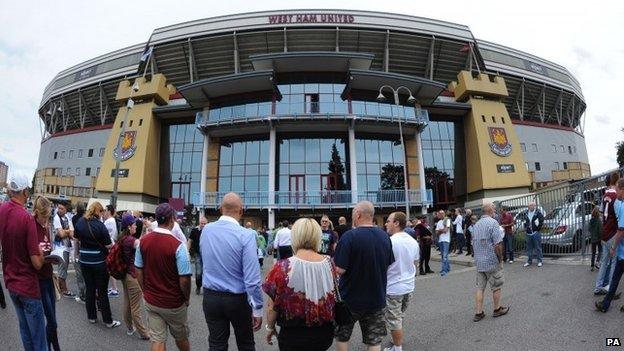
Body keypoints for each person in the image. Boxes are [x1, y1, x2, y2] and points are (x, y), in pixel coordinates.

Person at [200, 193, 263, 350]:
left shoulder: (206, 230)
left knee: (216, 344)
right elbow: (252, 278)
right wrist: (257, 308)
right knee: (246, 344)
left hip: (211, 296)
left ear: (221, 209)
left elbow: (204, 259)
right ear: (241, 211)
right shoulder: (246, 235)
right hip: (237, 299)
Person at [263, 218, 337, 350]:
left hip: (292, 334)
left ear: (295, 237)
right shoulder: (329, 263)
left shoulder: (282, 267)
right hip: (323, 333)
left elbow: (272, 306)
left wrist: (270, 327)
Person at [334, 201, 395, 351]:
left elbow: (339, 270)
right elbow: (388, 264)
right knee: (374, 341)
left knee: (342, 336)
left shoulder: (349, 237)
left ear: (358, 214)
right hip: (376, 298)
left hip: (349, 299)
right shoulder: (385, 236)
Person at [135, 203, 192, 351]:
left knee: (158, 340)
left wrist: (145, 290)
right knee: (181, 337)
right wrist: (186, 298)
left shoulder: (143, 241)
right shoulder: (178, 245)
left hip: (152, 300)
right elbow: (184, 279)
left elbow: (138, 269)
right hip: (173, 302)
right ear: (172, 220)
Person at [0, 175, 47, 350]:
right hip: (27, 285)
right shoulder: (26, 218)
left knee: (25, 333)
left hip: (11, 283)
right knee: (38, 339)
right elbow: (36, 263)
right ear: (25, 192)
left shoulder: (2, 210)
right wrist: (42, 254)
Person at [74, 202, 121, 328]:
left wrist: (77, 255)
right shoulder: (100, 226)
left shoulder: (80, 222)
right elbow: (108, 245)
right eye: (102, 211)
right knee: (102, 291)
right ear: (98, 211)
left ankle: (92, 317)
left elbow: (76, 240)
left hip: (84, 261)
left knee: (90, 289)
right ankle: (108, 321)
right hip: (99, 262)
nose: (103, 214)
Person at [383, 212, 419, 351]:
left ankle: (397, 347)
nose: (386, 224)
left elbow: (384, 265)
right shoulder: (413, 241)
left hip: (393, 287)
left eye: (388, 221)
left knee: (394, 319)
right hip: (409, 286)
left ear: (396, 223)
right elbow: (416, 263)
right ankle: (395, 340)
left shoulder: (390, 242)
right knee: (399, 316)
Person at [472, 203, 509, 321]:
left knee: (480, 288)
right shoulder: (493, 223)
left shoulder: (476, 224)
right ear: (490, 211)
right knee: (496, 285)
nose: (495, 210)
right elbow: (497, 244)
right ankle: (497, 309)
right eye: (493, 208)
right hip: (491, 261)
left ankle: (479, 313)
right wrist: (501, 259)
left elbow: (474, 243)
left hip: (479, 262)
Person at [33, 196, 61, 351]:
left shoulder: (46, 226)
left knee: (53, 319)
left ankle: (55, 347)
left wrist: (55, 256)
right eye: (44, 216)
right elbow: (34, 257)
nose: (46, 219)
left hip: (49, 276)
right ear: (37, 212)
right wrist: (45, 258)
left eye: (48, 216)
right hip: (39, 280)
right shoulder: (32, 227)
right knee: (51, 321)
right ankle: (46, 347)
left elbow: (47, 248)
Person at [118, 213, 150, 340]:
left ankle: (130, 328)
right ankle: (143, 333)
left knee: (127, 301)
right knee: (135, 306)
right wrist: (149, 230)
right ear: (129, 226)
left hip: (125, 274)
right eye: (134, 224)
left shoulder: (122, 238)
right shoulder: (132, 240)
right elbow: (144, 245)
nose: (136, 225)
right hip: (133, 276)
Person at [596, 178, 624, 312]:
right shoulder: (619, 202)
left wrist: (613, 246)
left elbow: (620, 229)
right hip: (619, 247)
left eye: (618, 189)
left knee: (613, 274)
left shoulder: (618, 203)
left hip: (616, 245)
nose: (616, 191)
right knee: (614, 275)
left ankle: (604, 300)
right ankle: (606, 303)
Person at [53, 202, 76, 298]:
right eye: (59, 208)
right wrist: (67, 231)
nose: (59, 210)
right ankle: (63, 290)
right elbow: (61, 234)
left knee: (64, 268)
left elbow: (72, 233)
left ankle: (58, 288)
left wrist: (64, 231)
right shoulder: (56, 218)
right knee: (62, 268)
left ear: (66, 209)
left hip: (67, 246)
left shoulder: (67, 217)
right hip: (60, 247)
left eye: (62, 208)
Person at [520, 202, 544, 267]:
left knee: (538, 247)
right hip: (528, 233)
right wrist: (526, 228)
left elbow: (541, 220)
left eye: (531, 205)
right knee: (529, 248)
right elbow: (525, 221)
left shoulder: (538, 213)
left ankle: (540, 261)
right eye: (529, 205)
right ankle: (529, 261)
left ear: (534, 206)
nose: (530, 206)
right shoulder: (526, 213)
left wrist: (537, 229)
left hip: (536, 233)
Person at [71, 203, 87, 303]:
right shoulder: (86, 219)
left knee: (79, 274)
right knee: (86, 274)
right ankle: (87, 294)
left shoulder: (74, 219)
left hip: (78, 248)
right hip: (86, 248)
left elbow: (75, 238)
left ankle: (82, 295)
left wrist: (76, 254)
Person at [187, 217, 207, 295]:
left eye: (205, 223)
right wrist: (187, 251)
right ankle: (198, 286)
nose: (203, 225)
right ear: (199, 223)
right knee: (199, 272)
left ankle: (205, 288)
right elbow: (189, 240)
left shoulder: (208, 231)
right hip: (197, 254)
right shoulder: (195, 230)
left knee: (206, 272)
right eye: (202, 223)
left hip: (206, 255)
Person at [103, 204, 120, 297]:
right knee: (110, 268)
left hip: (109, 246)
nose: (104, 213)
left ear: (109, 211)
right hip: (112, 244)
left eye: (105, 210)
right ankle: (114, 288)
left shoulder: (108, 221)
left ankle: (114, 289)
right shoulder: (112, 220)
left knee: (110, 268)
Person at [435, 210, 451, 276]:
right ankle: (447, 268)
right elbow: (436, 232)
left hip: (446, 240)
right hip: (441, 240)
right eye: (438, 214)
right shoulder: (439, 222)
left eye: (440, 214)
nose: (438, 215)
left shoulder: (447, 220)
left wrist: (440, 230)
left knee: (445, 255)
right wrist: (441, 230)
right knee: (443, 255)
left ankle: (444, 270)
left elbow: (446, 230)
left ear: (443, 214)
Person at [589, 206, 603, 272]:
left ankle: (592, 266)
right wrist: (601, 237)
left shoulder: (591, 220)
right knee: (600, 251)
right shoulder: (599, 221)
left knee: (593, 253)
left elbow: (589, 229)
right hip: (598, 239)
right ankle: (597, 262)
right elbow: (600, 230)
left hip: (592, 239)